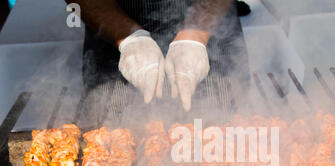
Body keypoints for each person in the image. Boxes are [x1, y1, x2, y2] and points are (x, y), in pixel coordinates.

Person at [69, 0, 249, 118]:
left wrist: (194, 37)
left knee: (228, 124)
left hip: (212, 30)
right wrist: (131, 39)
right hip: (113, 32)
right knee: (108, 125)